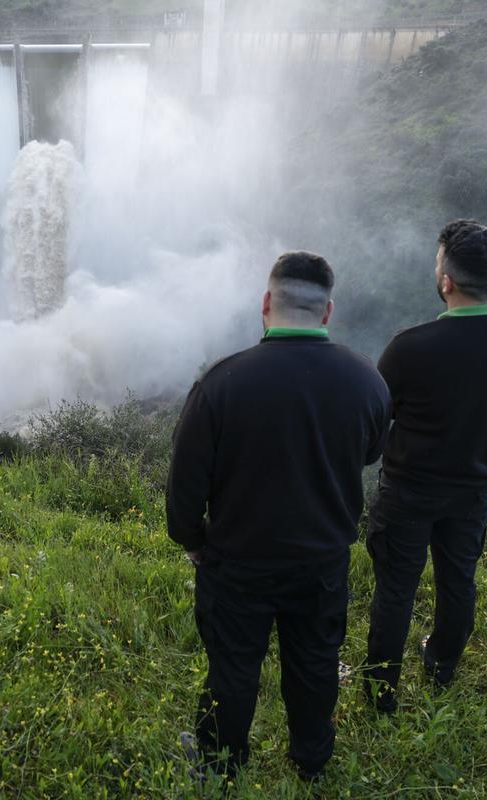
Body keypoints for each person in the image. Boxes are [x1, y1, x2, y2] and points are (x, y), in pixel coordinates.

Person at [167, 252, 391, 782]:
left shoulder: (220, 383)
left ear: (266, 302)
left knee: (232, 665)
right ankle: (311, 760)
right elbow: (370, 454)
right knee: (315, 661)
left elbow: (186, 483)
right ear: (327, 311)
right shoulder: (367, 380)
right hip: (322, 562)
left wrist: (192, 540)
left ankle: (221, 763)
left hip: (235, 561)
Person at [363, 219, 487, 713]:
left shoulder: (410, 347)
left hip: (409, 489)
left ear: (446, 281)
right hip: (475, 487)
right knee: (458, 579)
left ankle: (381, 693)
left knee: (395, 590)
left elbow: (378, 419)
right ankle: (442, 666)